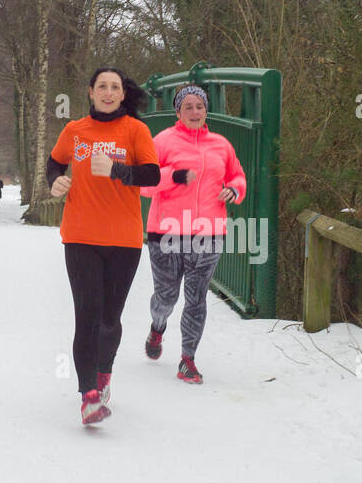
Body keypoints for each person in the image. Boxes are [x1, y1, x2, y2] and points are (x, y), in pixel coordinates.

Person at [47, 67, 159, 424]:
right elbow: (54, 162)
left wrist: (117, 170)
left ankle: (104, 373)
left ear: (123, 94)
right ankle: (88, 395)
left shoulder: (135, 130)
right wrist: (56, 182)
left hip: (124, 240)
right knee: (88, 317)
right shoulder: (75, 130)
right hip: (80, 236)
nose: (108, 93)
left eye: (115, 87)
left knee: (110, 319)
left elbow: (152, 175)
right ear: (90, 92)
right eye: (102, 87)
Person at [140, 84, 246, 383]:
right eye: (188, 106)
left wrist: (234, 190)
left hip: (209, 233)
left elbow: (237, 175)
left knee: (197, 297)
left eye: (199, 106)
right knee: (167, 296)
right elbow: (145, 184)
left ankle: (188, 359)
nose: (195, 112)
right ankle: (157, 328)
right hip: (167, 232)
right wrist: (172, 177)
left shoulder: (221, 145)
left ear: (206, 110)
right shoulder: (163, 141)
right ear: (178, 112)